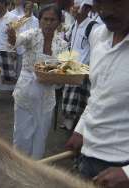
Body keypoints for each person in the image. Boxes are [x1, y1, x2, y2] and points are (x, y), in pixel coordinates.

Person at [65, 0, 129, 187]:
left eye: (115, 3)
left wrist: (127, 173)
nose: (105, 11)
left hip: (121, 167)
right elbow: (98, 93)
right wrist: (81, 129)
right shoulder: (98, 36)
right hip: (88, 156)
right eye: (99, 4)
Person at [8, 4, 68, 159]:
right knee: (22, 134)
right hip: (26, 91)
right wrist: (12, 36)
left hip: (47, 94)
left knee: (41, 134)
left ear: (59, 22)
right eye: (45, 19)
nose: (48, 23)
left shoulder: (62, 44)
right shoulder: (32, 34)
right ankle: (18, 169)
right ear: (39, 20)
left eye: (52, 20)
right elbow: (18, 40)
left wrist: (59, 76)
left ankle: (35, 169)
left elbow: (63, 70)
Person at [60, 0, 97, 130]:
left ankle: (76, 127)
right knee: (68, 97)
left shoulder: (93, 27)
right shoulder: (74, 25)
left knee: (79, 100)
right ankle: (69, 123)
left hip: (83, 71)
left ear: (87, 10)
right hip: (71, 68)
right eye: (73, 7)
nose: (73, 10)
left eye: (77, 7)